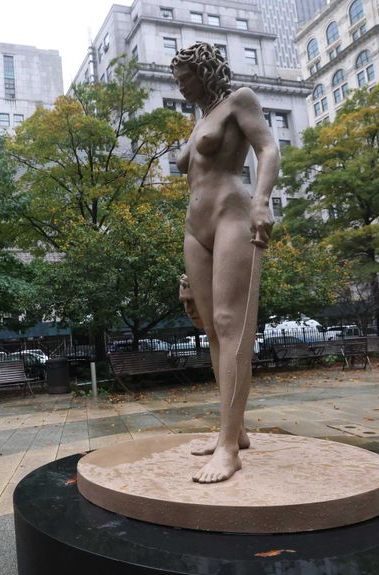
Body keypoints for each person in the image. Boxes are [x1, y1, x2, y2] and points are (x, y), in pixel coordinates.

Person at [171, 43, 281, 483]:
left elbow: (269, 149)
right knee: (212, 329)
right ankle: (234, 430)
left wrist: (262, 200)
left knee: (230, 323)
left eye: (184, 77)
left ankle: (229, 448)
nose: (179, 86)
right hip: (196, 228)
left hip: (233, 215)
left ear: (203, 70)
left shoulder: (241, 99)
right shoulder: (203, 118)